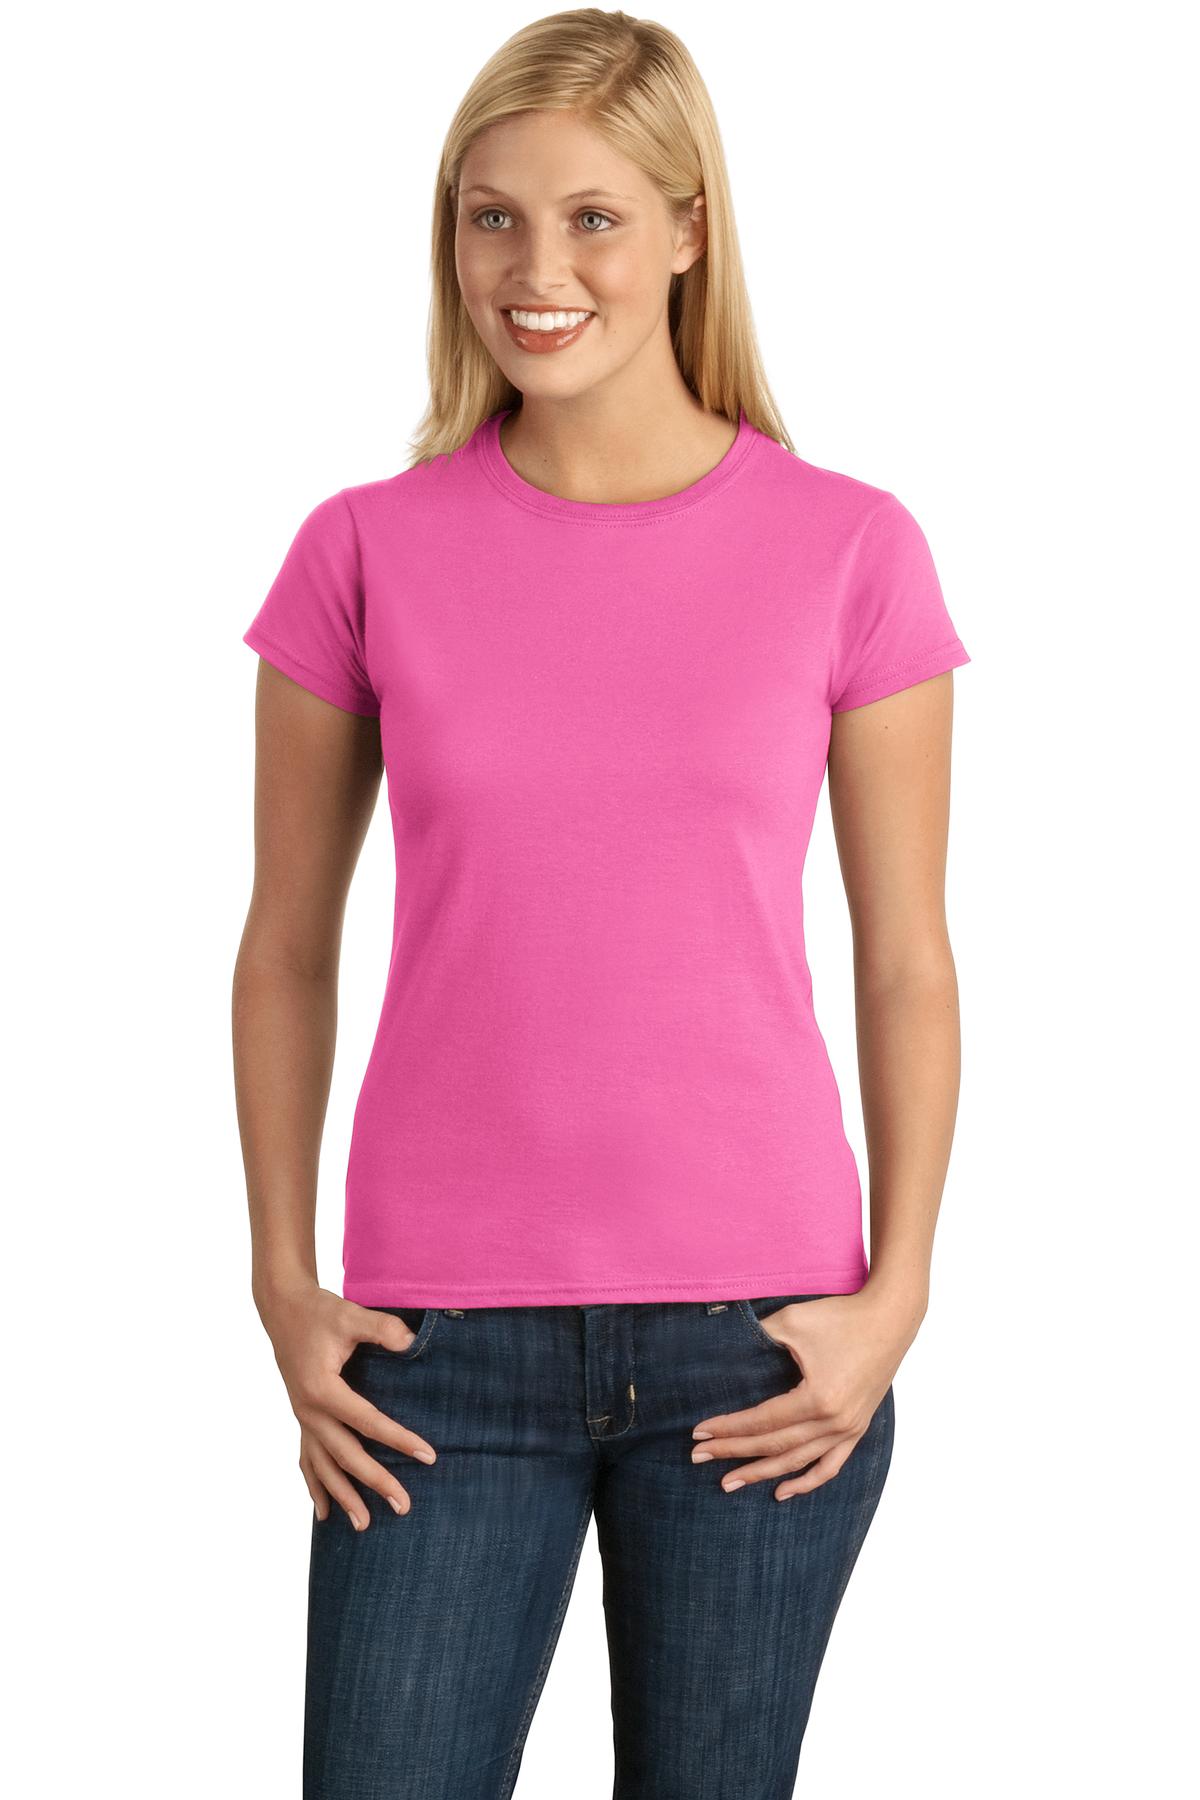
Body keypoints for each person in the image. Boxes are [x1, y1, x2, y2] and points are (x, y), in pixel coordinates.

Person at [232, 10, 970, 1796]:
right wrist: (281, 1280)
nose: (535, 271)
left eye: (592, 220)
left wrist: (900, 1293)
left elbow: (906, 961)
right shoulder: (362, 549)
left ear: (690, 229)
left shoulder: (851, 549)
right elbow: (284, 948)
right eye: (491, 218)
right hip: (431, 1354)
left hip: (761, 1351)